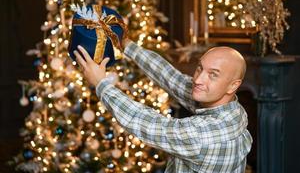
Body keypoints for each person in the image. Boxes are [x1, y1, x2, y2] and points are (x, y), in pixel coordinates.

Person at [73, 38, 253, 173]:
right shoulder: (235, 111)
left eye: (213, 74)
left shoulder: (202, 136)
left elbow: (146, 122)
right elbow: (173, 79)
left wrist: (101, 84)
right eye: (200, 68)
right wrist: (127, 45)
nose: (198, 79)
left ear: (233, 85)